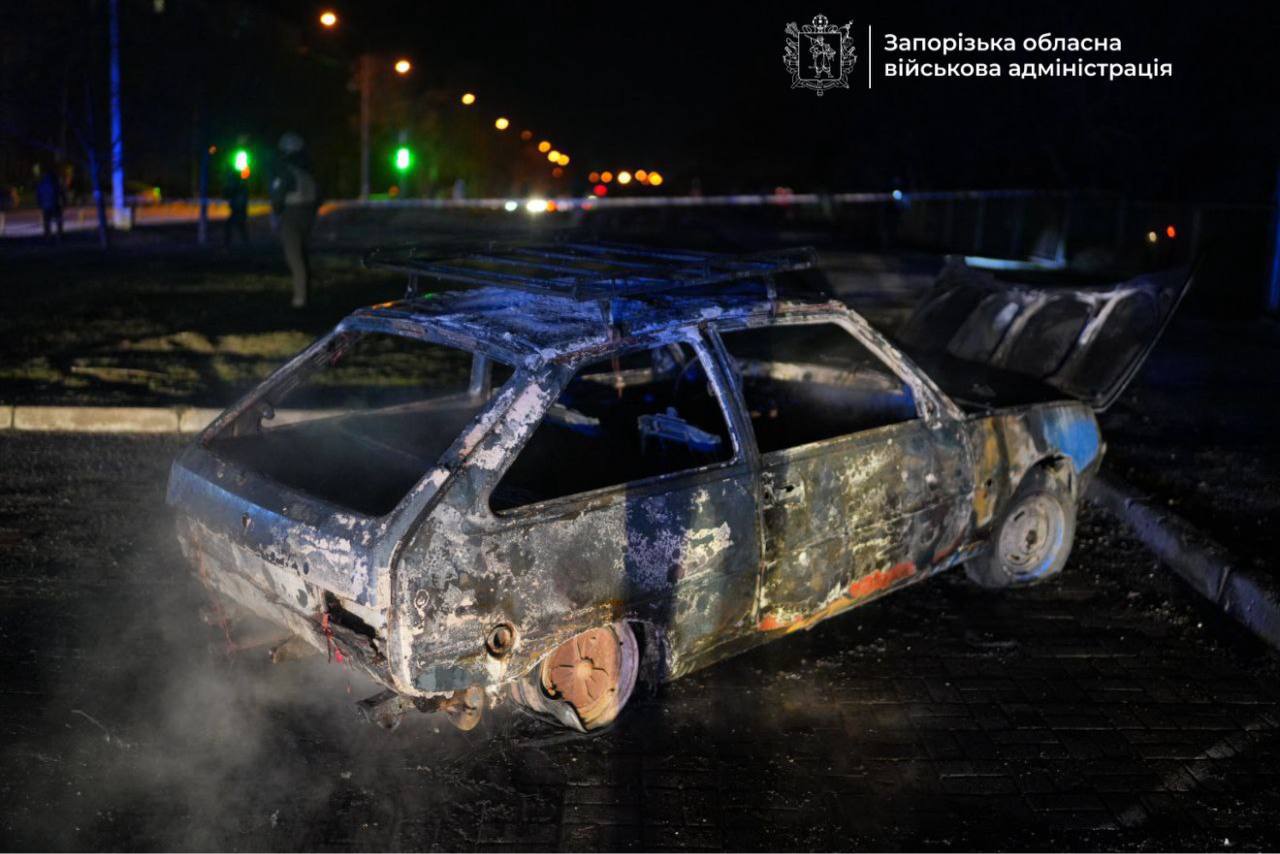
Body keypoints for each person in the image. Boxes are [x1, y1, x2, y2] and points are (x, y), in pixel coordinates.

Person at [269, 132, 321, 308]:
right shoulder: (309, 171)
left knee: (294, 257)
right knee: (302, 256)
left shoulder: (286, 171)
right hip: (308, 214)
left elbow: (278, 196)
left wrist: (276, 213)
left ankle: (299, 299)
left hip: (291, 214)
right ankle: (305, 294)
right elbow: (318, 196)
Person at [35, 168, 66, 240]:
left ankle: (48, 235)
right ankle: (59, 234)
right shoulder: (55, 184)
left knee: (47, 221)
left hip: (46, 205)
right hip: (54, 204)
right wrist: (64, 202)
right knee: (58, 220)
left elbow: (38, 195)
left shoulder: (41, 184)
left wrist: (39, 203)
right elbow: (61, 193)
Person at [222, 168, 250, 246]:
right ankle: (245, 245)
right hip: (237, 211)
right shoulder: (238, 186)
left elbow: (240, 200)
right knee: (239, 227)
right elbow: (226, 194)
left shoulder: (240, 186)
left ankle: (229, 244)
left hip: (239, 211)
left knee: (235, 226)